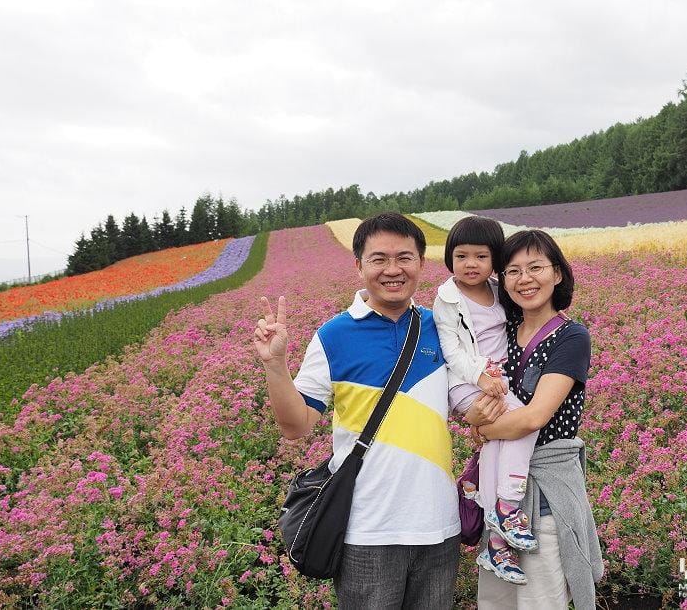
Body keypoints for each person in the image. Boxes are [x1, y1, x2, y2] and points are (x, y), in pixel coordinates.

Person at [253, 212, 460, 610]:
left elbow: (471, 397)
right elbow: (296, 426)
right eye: (379, 259)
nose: (393, 270)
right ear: (359, 266)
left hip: (438, 526)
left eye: (404, 257)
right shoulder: (334, 335)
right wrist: (275, 365)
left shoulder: (442, 326)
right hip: (366, 531)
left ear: (421, 262)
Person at [466, 229, 604, 610]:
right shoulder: (504, 333)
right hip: (501, 492)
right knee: (496, 602)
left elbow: (534, 417)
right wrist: (475, 419)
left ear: (557, 273)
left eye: (535, 267)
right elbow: (476, 395)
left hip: (544, 496)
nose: (524, 279)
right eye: (512, 271)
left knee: (540, 601)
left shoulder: (571, 337)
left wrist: (481, 428)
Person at [432, 215, 540, 585]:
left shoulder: (499, 289)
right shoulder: (447, 299)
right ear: (449, 258)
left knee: (496, 442)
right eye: (461, 256)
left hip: (498, 382)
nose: (470, 264)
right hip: (469, 384)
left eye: (481, 256)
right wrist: (482, 377)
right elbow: (451, 350)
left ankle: (496, 544)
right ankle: (508, 504)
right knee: (524, 423)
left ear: (495, 259)